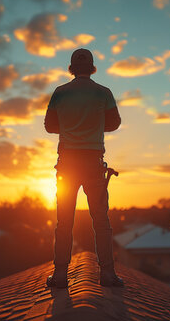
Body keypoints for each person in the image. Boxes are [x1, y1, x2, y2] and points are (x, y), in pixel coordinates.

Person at [44, 48, 124, 288]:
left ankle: (59, 276)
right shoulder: (103, 93)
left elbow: (49, 126)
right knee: (101, 221)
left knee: (64, 222)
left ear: (71, 68)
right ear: (92, 67)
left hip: (67, 163)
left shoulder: (60, 93)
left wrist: (70, 126)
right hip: (93, 162)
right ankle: (107, 275)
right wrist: (94, 125)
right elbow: (115, 123)